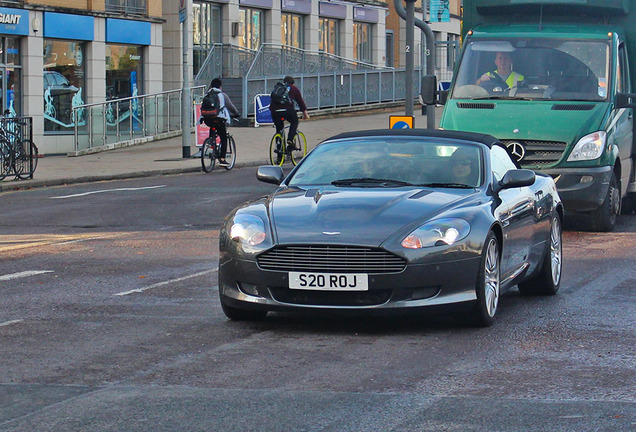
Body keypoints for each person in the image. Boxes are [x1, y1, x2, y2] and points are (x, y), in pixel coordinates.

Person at [200, 78, 239, 167]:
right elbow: (231, 107)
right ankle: (222, 159)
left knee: (212, 126)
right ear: (220, 86)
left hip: (207, 119)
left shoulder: (207, 95)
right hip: (218, 118)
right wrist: (237, 114)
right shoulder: (222, 95)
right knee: (223, 137)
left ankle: (211, 141)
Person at [269, 75, 309, 153]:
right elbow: (300, 101)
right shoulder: (293, 88)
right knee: (294, 122)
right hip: (287, 110)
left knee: (279, 129)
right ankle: (290, 140)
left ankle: (279, 155)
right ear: (292, 83)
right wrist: (305, 114)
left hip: (275, 111)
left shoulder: (278, 88)